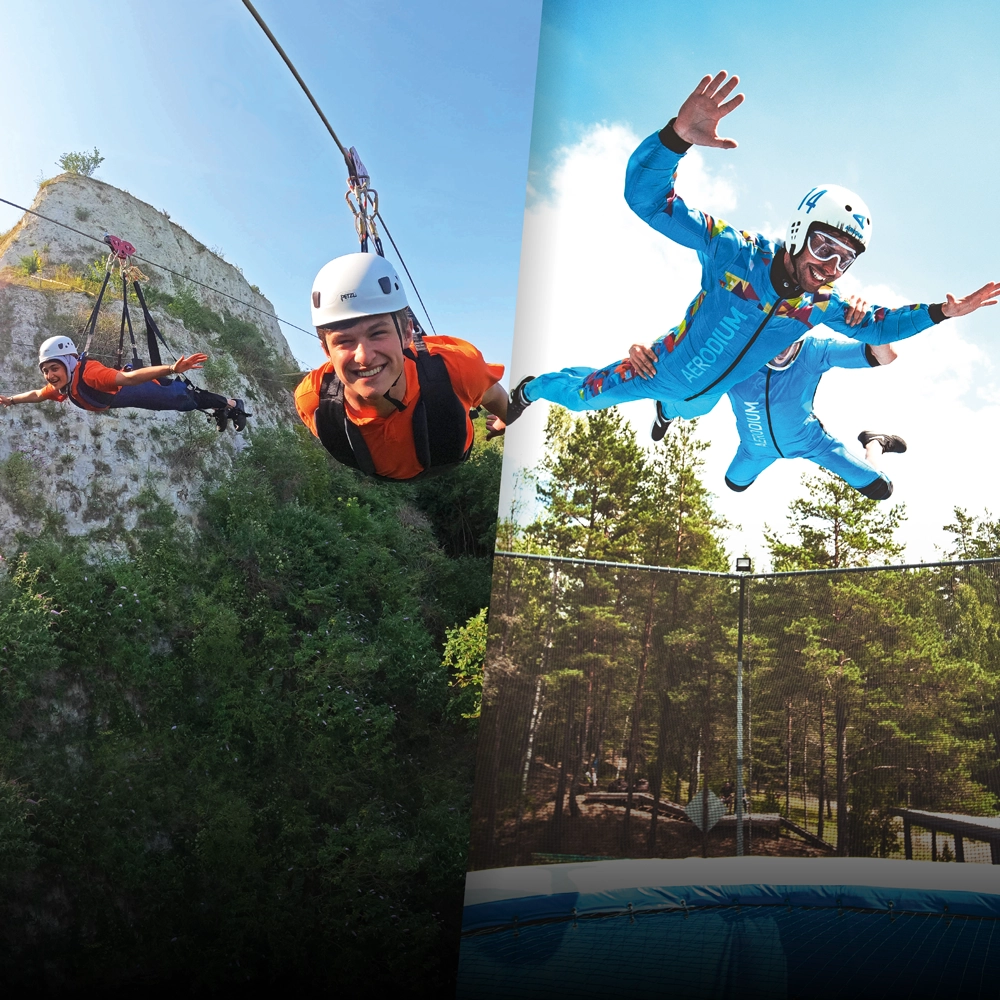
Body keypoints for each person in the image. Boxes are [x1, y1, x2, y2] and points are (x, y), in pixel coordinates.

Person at [502, 71, 999, 430]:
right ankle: (530, 387)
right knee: (579, 396)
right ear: (798, 231)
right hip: (659, 369)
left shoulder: (822, 303)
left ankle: (667, 413)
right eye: (824, 246)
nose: (829, 267)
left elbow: (881, 325)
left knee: (689, 407)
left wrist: (942, 312)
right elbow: (646, 201)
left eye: (844, 259)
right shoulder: (735, 251)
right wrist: (675, 140)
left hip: (703, 397)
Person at [295, 252, 508, 481]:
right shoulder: (314, 401)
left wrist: (506, 419)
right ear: (327, 351)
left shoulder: (455, 369)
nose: (363, 357)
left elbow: (495, 396)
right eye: (344, 341)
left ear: (407, 333)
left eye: (377, 333)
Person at [718, 331, 906, 499]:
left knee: (880, 489)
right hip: (756, 449)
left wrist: (870, 325)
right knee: (735, 483)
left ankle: (875, 443)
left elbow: (884, 357)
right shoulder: (733, 357)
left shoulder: (813, 351)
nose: (781, 353)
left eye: (790, 340)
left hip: (810, 443)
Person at [0, 335, 248, 431]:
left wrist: (171, 368)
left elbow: (128, 379)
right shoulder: (62, 386)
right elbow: (36, 394)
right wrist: (10, 400)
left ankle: (233, 403)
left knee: (185, 398)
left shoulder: (89, 374)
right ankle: (221, 409)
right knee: (184, 402)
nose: (50, 375)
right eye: (46, 371)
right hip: (137, 398)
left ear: (68, 363)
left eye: (54, 368)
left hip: (144, 389)